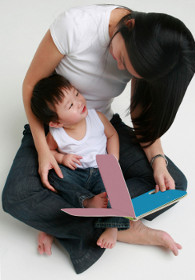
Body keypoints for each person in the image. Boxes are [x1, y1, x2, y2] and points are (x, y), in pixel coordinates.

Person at [2, 4, 195, 274]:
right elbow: (31, 85)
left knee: (173, 185)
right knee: (16, 197)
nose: (119, 67)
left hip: (102, 130)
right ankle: (126, 226)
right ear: (128, 27)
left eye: (128, 70)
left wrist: (158, 160)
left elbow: (140, 115)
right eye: (123, 60)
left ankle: (66, 222)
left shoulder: (144, 54)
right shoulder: (75, 26)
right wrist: (44, 150)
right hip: (58, 133)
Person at [31, 73, 130, 249]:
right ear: (56, 122)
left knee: (115, 185)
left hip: (101, 169)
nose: (79, 102)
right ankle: (86, 201)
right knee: (54, 176)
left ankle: (113, 226)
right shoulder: (56, 134)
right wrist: (62, 157)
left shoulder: (96, 117)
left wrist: (113, 158)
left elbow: (112, 135)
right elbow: (48, 152)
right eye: (70, 105)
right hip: (76, 174)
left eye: (76, 94)